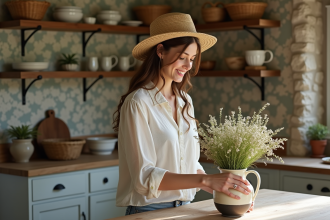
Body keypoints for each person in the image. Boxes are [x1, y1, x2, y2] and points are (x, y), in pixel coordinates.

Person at [113, 12, 253, 215]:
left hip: (186, 209)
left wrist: (229, 192)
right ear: (161, 51)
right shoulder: (138, 102)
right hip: (148, 212)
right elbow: (144, 178)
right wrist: (207, 180)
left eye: (192, 59)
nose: (188, 66)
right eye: (183, 58)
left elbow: (187, 164)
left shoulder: (185, 101)